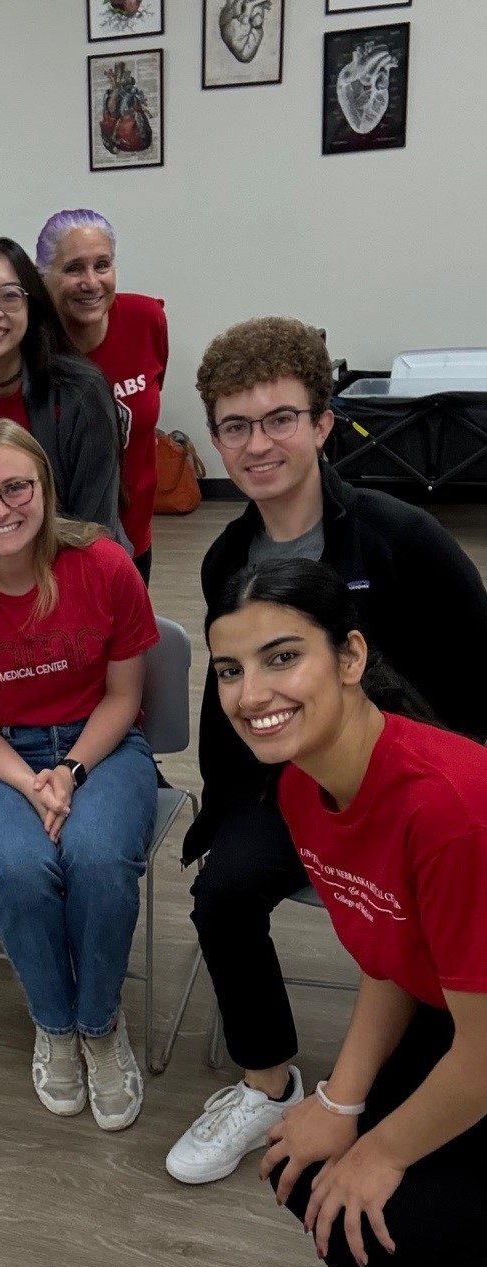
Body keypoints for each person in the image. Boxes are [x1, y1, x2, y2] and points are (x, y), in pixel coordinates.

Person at [166, 317, 487, 1186]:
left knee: (423, 943)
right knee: (223, 891)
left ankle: (431, 1085)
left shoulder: (399, 536)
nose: (258, 443)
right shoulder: (229, 554)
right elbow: (229, 687)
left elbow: (477, 670)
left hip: (409, 787)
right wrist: (225, 803)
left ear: (321, 423)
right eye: (236, 426)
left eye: (279, 419)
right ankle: (268, 1082)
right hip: (292, 785)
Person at [205, 559, 487, 1267]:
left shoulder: (450, 806)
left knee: (378, 1197)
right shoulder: (302, 788)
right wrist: (342, 1100)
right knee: (309, 1165)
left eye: (282, 658)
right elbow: (390, 954)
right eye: (230, 671)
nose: (253, 694)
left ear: (352, 656)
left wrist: (382, 1148)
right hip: (457, 1019)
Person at [0, 419, 158, 1130]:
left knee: (100, 858)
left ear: (45, 489)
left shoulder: (105, 565)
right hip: (0, 753)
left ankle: (100, 1025)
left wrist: (72, 772)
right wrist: (31, 782)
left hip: (100, 744)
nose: (0, 508)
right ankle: (56, 1025)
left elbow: (123, 696)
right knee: (19, 869)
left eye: (16, 487)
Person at [0, 238, 124, 538]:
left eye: (9, 296)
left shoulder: (82, 392)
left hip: (78, 565)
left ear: (32, 308)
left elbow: (94, 527)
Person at [35, 208, 168, 584]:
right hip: (52, 542)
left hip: (134, 531)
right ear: (44, 276)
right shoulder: (31, 344)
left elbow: (147, 409)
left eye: (102, 265)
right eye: (73, 268)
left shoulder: (146, 319)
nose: (91, 282)